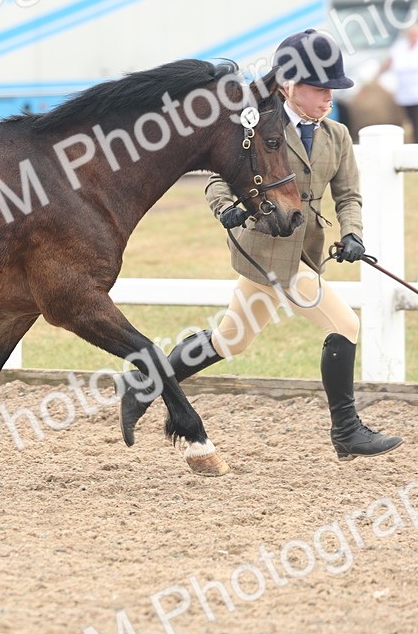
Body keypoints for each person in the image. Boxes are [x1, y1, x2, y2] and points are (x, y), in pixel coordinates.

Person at [121, 29, 402, 462]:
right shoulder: (257, 127)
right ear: (288, 86)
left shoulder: (338, 136)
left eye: (332, 89)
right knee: (344, 324)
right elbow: (217, 180)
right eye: (319, 88)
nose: (329, 97)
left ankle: (147, 382)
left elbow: (348, 196)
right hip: (265, 252)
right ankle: (346, 431)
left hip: (303, 251)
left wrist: (353, 235)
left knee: (231, 340)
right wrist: (226, 209)